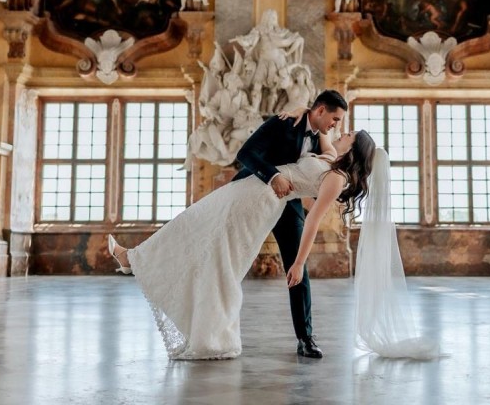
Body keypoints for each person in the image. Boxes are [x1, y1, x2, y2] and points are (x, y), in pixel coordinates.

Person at [108, 90, 357, 360]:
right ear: (320, 110)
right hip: (254, 194)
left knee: (298, 268)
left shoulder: (323, 137)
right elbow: (245, 153)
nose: (337, 126)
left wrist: (304, 109)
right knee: (209, 242)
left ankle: (305, 338)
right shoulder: (283, 123)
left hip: (289, 206)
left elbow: (324, 168)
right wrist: (272, 176)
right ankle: (148, 266)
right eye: (335, 119)